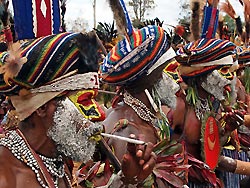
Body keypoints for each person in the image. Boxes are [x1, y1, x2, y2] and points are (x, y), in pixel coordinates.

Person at [0, 31, 156, 188]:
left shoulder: (55, 158)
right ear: (43, 107)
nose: (100, 114)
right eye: (85, 101)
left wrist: (126, 181)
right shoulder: (8, 176)